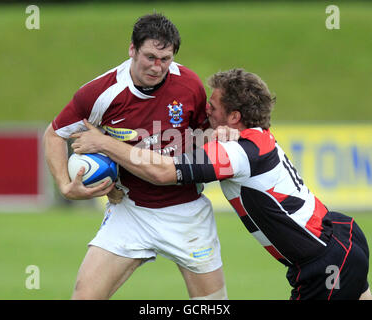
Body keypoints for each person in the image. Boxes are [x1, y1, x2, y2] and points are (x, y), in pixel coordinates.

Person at [71, 68, 371, 300]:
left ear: (234, 116)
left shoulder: (238, 153)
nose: (206, 110)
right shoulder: (254, 138)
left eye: (213, 106)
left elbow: (163, 172)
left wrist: (105, 143)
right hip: (342, 241)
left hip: (324, 261)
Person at [43, 13, 227, 300]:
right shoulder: (101, 93)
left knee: (213, 305)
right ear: (132, 49)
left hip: (187, 213)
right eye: (150, 56)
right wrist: (66, 186)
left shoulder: (189, 85)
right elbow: (54, 134)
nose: (157, 67)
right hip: (130, 211)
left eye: (165, 59)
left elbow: (203, 135)